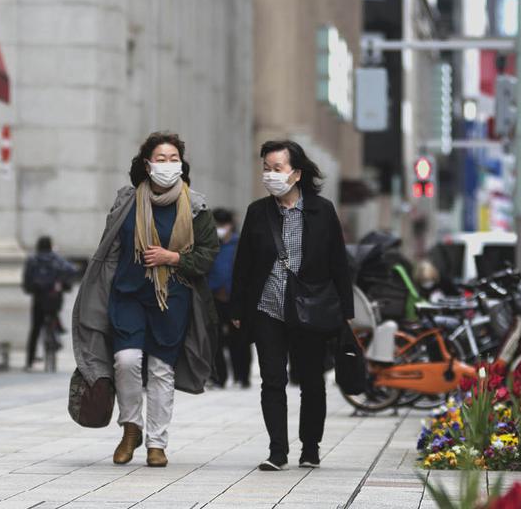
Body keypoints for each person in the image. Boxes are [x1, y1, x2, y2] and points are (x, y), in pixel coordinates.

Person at [72, 132, 219, 468]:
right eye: (160, 159)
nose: (167, 165)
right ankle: (131, 427)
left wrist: (173, 258)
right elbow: (108, 250)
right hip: (127, 295)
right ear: (147, 164)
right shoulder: (126, 201)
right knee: (126, 362)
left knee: (161, 370)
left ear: (181, 164)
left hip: (172, 299)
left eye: (173, 159)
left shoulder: (195, 206)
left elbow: (209, 254)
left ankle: (157, 442)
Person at [229, 140, 354, 471]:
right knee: (272, 379)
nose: (270, 175)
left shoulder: (322, 210)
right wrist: (238, 309)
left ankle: (310, 447)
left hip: (309, 308)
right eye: (266, 168)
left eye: (278, 168)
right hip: (268, 307)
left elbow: (339, 262)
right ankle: (278, 451)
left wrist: (346, 311)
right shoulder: (258, 211)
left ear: (296, 174)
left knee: (312, 380)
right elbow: (243, 264)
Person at [207, 208, 251, 388]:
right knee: (215, 340)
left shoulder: (240, 244)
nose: (220, 228)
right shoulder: (210, 245)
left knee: (239, 339)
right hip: (214, 297)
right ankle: (219, 377)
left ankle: (242, 377)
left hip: (236, 298)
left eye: (222, 225)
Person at [22, 236, 77, 371]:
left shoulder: (33, 260)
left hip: (39, 298)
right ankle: (57, 330)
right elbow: (71, 269)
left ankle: (29, 361)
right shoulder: (56, 258)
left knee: (35, 328)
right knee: (53, 312)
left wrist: (30, 288)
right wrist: (63, 285)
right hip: (54, 297)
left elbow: (27, 279)